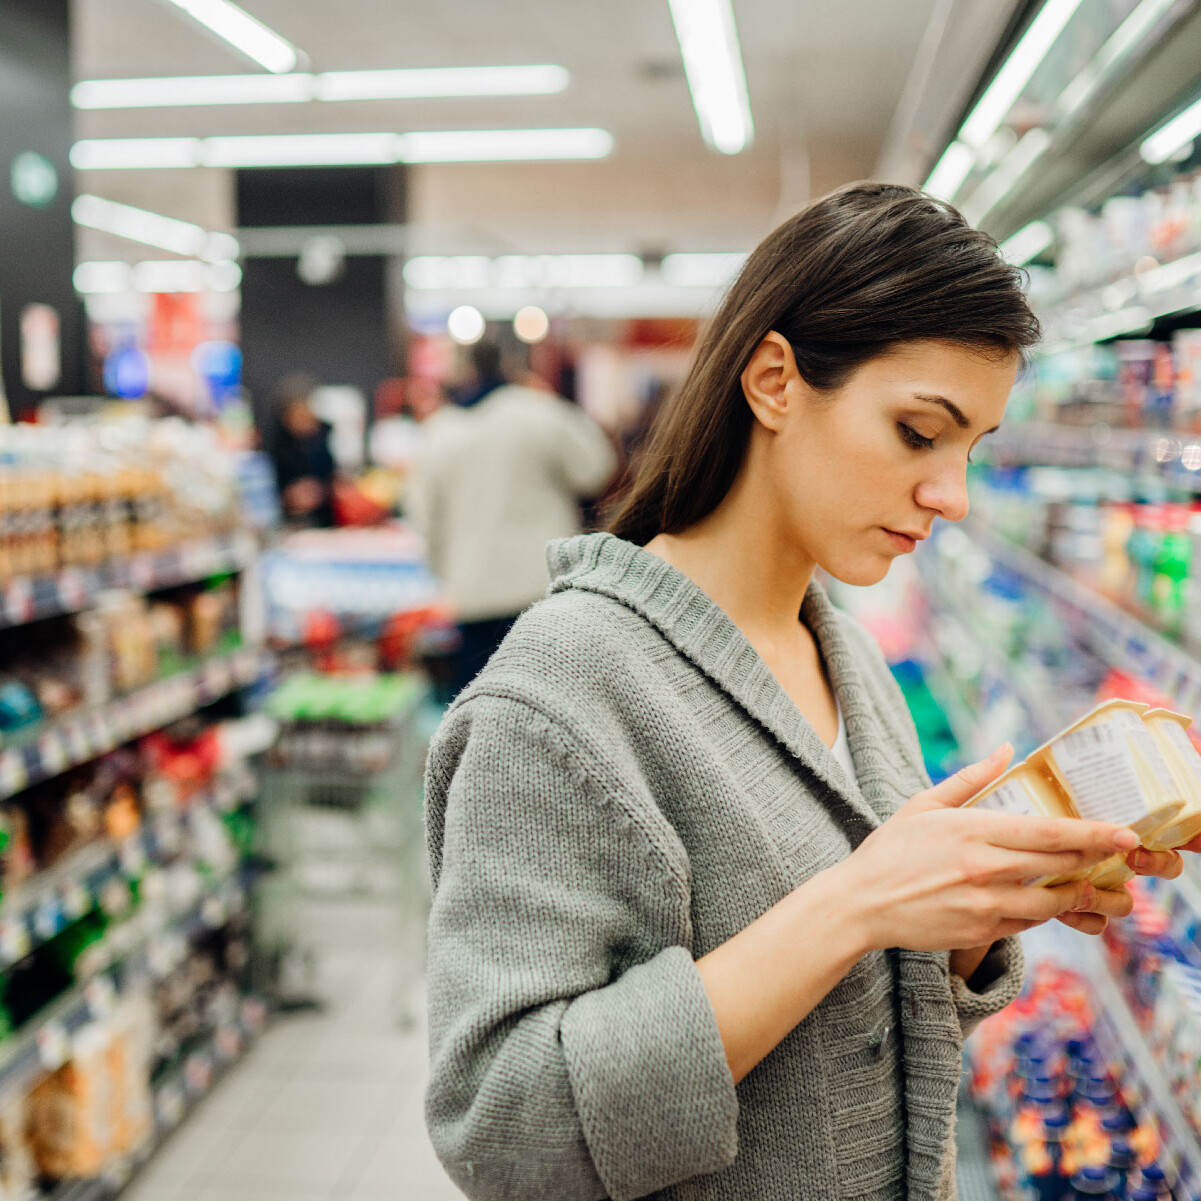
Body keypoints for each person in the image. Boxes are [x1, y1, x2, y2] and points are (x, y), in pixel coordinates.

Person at [422, 182, 1198, 1201]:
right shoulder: (562, 692)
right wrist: (858, 902)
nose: (951, 493)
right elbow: (504, 1130)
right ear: (776, 380)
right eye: (920, 433)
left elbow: (844, 1040)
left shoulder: (840, 651)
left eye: (972, 448)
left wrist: (966, 920)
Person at [408, 344, 616, 694]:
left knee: (479, 711)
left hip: (473, 593)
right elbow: (596, 468)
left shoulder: (439, 432)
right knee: (554, 704)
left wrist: (445, 574)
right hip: (543, 587)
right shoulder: (539, 413)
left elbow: (424, 518)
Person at [268, 375, 336, 527]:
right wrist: (288, 497)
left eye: (306, 414)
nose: (304, 422)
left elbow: (339, 480)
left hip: (326, 522)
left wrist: (326, 490)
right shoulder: (275, 447)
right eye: (298, 416)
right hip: (288, 524)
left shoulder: (328, 439)